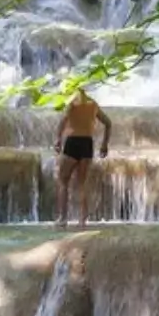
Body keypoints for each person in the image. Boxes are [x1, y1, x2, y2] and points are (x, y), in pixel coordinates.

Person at [54, 87, 111, 228]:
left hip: (73, 141)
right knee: (82, 184)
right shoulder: (93, 104)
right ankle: (82, 220)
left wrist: (58, 140)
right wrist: (104, 144)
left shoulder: (72, 103)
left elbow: (62, 121)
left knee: (63, 181)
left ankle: (62, 218)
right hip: (87, 143)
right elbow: (108, 123)